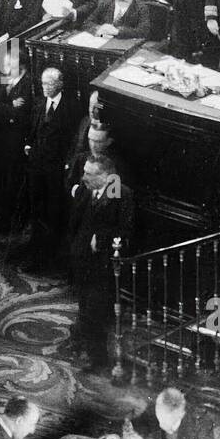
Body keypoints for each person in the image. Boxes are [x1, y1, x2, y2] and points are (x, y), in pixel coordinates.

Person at [67, 156, 133, 372]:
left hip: (104, 265)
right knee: (84, 305)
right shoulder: (86, 188)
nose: (83, 177)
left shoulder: (121, 194)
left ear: (106, 176)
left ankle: (98, 359)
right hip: (82, 260)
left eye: (89, 174)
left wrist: (102, 239)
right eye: (84, 171)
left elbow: (125, 232)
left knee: (94, 312)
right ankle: (84, 345)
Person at [21, 67, 77, 265]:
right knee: (36, 204)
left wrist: (67, 163)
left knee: (53, 207)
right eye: (43, 83)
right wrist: (28, 144)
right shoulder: (38, 103)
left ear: (60, 84)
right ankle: (36, 244)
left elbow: (72, 139)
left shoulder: (71, 107)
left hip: (56, 167)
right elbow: (32, 128)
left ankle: (51, 249)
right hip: (36, 165)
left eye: (49, 84)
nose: (45, 87)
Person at [0, 45, 31, 238]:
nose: (5, 67)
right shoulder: (3, 78)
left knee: (13, 182)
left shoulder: (28, 83)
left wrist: (1, 106)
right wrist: (7, 106)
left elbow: (21, 114)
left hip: (15, 141)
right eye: (4, 63)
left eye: (9, 64)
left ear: (21, 65)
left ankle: (12, 223)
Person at [134, 387, 218, 439]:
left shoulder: (201, 423)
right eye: (159, 417)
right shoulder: (158, 409)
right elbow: (142, 425)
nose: (160, 424)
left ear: (180, 414)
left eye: (164, 420)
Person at [85, 0, 150, 39]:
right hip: (103, 43)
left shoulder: (141, 8)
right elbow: (87, 23)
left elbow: (143, 32)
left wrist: (117, 31)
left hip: (125, 45)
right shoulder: (106, 4)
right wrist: (99, 28)